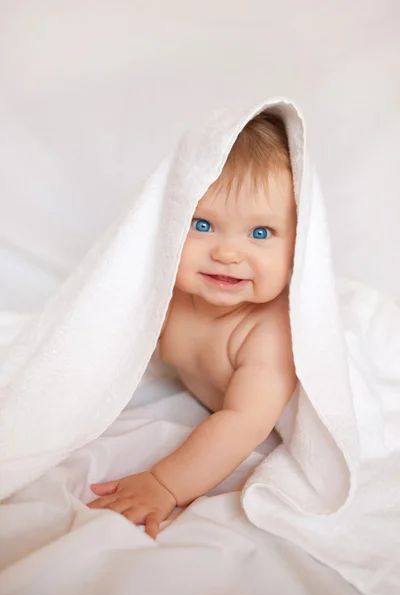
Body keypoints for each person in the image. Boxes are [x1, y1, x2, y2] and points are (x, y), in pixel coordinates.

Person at [87, 112, 298, 539]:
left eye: (260, 232)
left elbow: (244, 420)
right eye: (202, 225)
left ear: (301, 241)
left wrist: (166, 483)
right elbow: (102, 338)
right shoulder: (166, 295)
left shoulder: (269, 333)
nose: (227, 253)